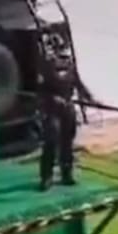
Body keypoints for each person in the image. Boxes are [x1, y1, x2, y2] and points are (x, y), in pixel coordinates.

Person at [36, 47, 79, 191]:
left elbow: (78, 84)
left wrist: (90, 98)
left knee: (67, 141)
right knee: (51, 141)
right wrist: (52, 98)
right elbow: (40, 91)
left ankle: (67, 174)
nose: (63, 58)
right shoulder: (47, 68)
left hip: (68, 106)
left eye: (65, 55)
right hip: (52, 109)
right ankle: (46, 177)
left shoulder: (71, 67)